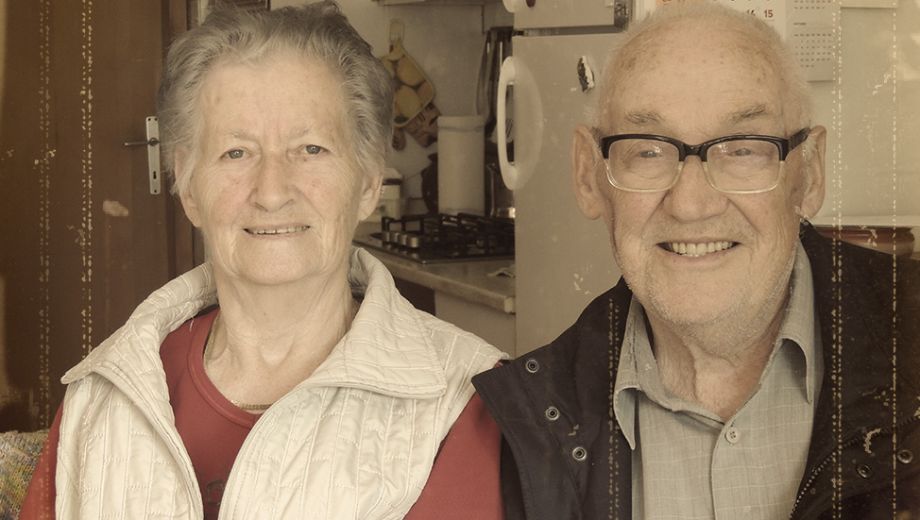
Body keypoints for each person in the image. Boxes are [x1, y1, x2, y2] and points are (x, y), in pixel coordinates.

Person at [20, 3, 506, 518]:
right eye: (236, 153)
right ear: (189, 186)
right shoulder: (105, 392)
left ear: (367, 183)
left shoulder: (467, 401)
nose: (272, 192)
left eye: (311, 149)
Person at [473, 2, 920, 519]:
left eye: (743, 149)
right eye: (647, 151)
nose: (691, 205)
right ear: (589, 176)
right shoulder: (521, 423)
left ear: (810, 174)